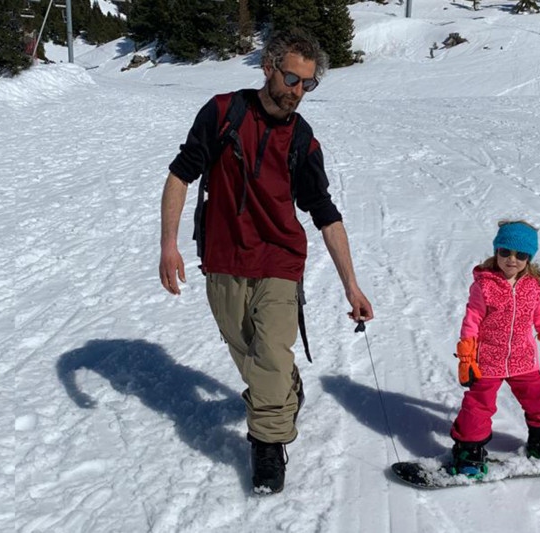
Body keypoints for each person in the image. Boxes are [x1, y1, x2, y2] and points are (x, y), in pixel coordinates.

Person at [158, 30, 374, 494]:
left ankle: (268, 445)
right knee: (249, 355)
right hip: (222, 260)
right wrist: (168, 244)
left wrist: (350, 285)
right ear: (268, 67)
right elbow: (181, 173)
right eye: (291, 78)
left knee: (270, 355)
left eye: (307, 85)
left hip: (280, 261)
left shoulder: (302, 139)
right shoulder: (223, 112)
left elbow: (324, 213)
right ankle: (284, 393)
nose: (297, 91)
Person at [450, 220, 540, 478]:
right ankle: (469, 450)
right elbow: (471, 320)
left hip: (522, 358)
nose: (511, 259)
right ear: (497, 251)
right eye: (505, 252)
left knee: (538, 396)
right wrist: (466, 357)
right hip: (488, 360)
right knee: (478, 405)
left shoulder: (534, 287)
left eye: (520, 255)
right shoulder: (484, 285)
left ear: (529, 258)